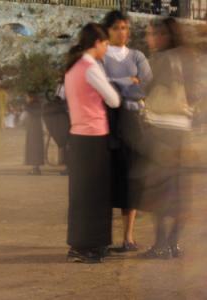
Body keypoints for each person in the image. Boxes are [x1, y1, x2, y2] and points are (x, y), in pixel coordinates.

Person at [64, 23, 121, 263]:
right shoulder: (90, 67)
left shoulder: (71, 68)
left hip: (77, 136)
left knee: (81, 196)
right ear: (97, 43)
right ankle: (92, 245)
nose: (107, 49)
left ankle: (79, 245)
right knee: (97, 196)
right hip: (95, 136)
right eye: (106, 44)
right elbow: (114, 100)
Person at [137, 18, 192, 259]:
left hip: (161, 128)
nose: (150, 39)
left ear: (163, 36)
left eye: (153, 34)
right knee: (178, 188)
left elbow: (144, 90)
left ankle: (160, 243)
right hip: (182, 128)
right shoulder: (186, 58)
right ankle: (173, 243)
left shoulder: (159, 60)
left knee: (159, 188)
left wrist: (135, 83)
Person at [102, 10, 153, 252]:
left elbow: (145, 85)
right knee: (110, 176)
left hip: (132, 121)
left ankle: (128, 236)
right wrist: (128, 81)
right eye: (116, 28)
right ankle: (102, 236)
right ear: (107, 31)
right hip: (108, 120)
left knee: (130, 177)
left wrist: (116, 83)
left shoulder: (137, 55)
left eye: (125, 27)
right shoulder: (101, 56)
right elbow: (102, 85)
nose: (122, 32)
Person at [24, 92, 44, 175]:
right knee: (33, 148)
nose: (26, 99)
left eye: (27, 97)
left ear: (31, 97)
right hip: (34, 129)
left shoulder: (34, 105)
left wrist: (27, 107)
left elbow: (36, 113)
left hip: (35, 130)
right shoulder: (34, 105)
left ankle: (36, 168)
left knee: (34, 148)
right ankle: (35, 168)